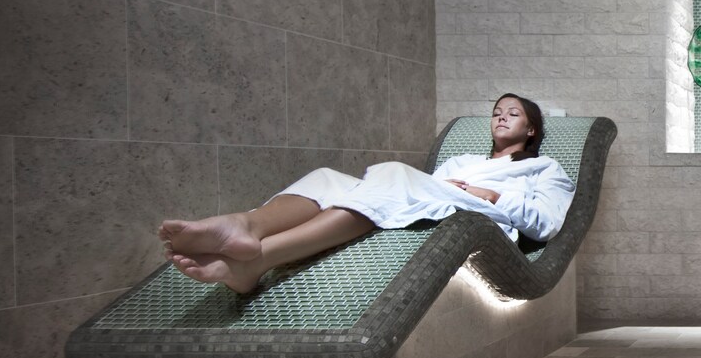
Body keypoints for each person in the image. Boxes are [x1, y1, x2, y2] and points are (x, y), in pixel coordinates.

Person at [158, 93, 575, 295]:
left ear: (531, 129)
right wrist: (444, 184)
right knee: (326, 178)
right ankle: (246, 226)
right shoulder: (460, 160)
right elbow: (425, 189)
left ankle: (260, 258)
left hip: (484, 219)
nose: (501, 117)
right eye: (496, 112)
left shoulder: (544, 168)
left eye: (512, 113)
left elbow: (547, 223)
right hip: (440, 200)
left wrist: (491, 195)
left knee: (393, 173)